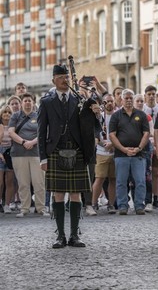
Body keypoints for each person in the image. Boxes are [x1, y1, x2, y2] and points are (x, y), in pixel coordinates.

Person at [38, 64, 99, 248]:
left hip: (77, 150)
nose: (65, 80)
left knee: (75, 194)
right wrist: (43, 158)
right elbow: (42, 132)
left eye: (66, 76)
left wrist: (96, 113)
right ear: (53, 80)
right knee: (58, 194)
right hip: (55, 151)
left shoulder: (79, 99)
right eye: (61, 77)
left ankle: (74, 235)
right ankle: (60, 236)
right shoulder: (47, 102)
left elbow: (92, 126)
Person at [108, 89, 150, 216]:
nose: (129, 100)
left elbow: (146, 133)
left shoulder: (141, 115)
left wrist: (139, 148)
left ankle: (139, 206)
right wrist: (123, 149)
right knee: (121, 182)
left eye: (131, 98)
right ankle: (122, 206)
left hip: (139, 154)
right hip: (121, 154)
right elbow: (112, 135)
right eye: (126, 98)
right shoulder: (116, 116)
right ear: (121, 99)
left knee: (140, 181)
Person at [9, 94, 48, 217]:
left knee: (39, 182)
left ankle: (41, 208)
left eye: (29, 101)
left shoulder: (39, 115)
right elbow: (10, 132)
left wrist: (32, 142)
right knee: (23, 183)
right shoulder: (15, 116)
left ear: (33, 103)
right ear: (21, 103)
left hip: (36, 153)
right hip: (19, 154)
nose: (27, 103)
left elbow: (44, 133)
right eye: (25, 101)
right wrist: (23, 142)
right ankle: (24, 209)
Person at [88, 93, 117, 215]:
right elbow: (95, 133)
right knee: (99, 178)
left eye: (111, 101)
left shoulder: (118, 116)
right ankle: (93, 203)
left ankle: (111, 204)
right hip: (101, 152)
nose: (109, 103)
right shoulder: (98, 117)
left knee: (113, 179)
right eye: (106, 102)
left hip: (115, 151)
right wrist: (102, 143)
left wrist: (113, 145)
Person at [0, 105, 17, 213]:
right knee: (0, 182)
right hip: (0, 153)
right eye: (5, 112)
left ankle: (7, 204)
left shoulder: (14, 126)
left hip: (10, 153)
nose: (7, 114)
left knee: (10, 181)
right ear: (1, 114)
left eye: (9, 112)